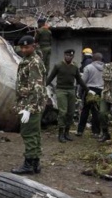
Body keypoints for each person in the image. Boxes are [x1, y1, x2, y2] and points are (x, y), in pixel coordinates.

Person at [11, 35, 47, 175]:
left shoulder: (34, 63)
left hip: (31, 104)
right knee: (34, 134)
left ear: (34, 46)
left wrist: (28, 109)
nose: (24, 49)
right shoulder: (27, 60)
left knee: (28, 133)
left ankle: (29, 164)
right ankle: (35, 164)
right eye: (22, 47)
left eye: (27, 47)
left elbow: (37, 87)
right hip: (29, 103)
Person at [47, 48, 87, 143]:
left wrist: (87, 89)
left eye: (71, 56)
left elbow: (79, 79)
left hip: (71, 90)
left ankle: (66, 132)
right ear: (64, 55)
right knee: (63, 112)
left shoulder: (74, 66)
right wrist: (43, 86)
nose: (69, 57)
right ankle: (60, 134)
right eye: (67, 55)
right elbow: (51, 77)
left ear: (72, 57)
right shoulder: (58, 65)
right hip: (61, 90)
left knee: (71, 112)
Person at [77, 52, 104, 137]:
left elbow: (83, 81)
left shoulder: (88, 67)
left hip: (89, 90)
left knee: (85, 110)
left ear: (93, 59)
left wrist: (80, 91)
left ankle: (80, 130)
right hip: (100, 91)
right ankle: (96, 132)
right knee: (96, 111)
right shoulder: (106, 68)